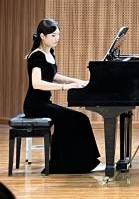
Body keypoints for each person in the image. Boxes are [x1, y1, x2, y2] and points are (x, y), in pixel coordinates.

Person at [23, 18, 101, 173]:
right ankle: (65, 164)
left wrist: (79, 82)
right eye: (53, 35)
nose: (57, 38)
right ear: (42, 36)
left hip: (44, 103)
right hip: (35, 105)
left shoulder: (49, 53)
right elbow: (36, 83)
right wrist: (65, 87)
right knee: (78, 119)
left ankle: (80, 163)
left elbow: (53, 75)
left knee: (79, 119)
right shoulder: (37, 56)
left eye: (58, 34)